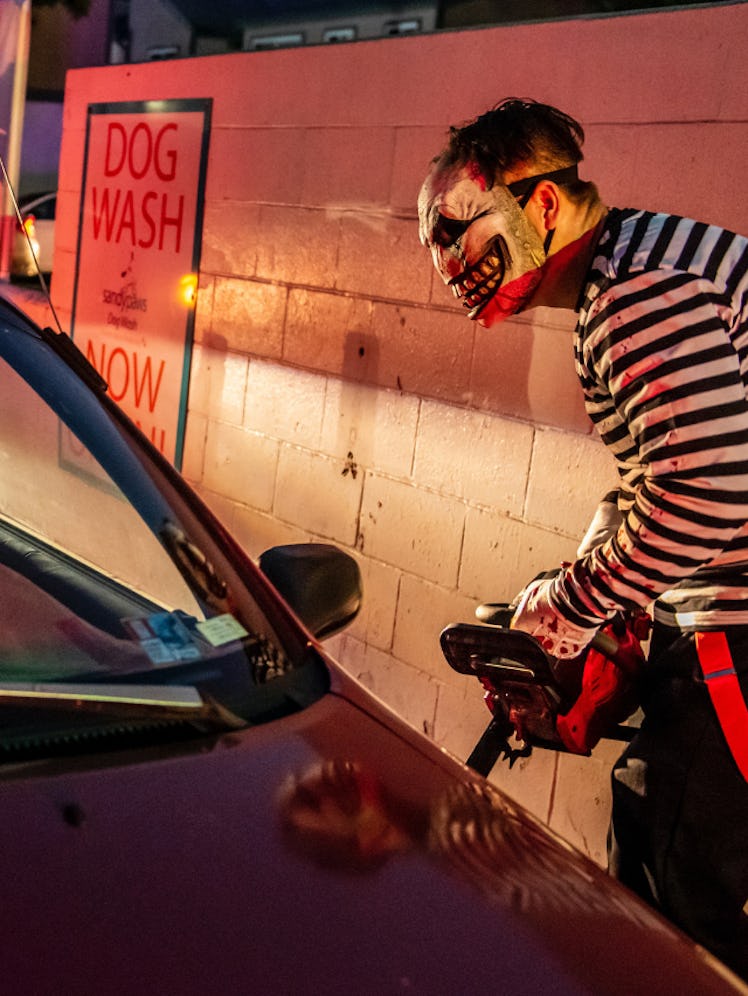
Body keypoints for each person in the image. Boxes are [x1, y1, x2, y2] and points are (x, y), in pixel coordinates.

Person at [418, 97, 748, 979]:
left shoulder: (636, 293)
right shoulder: (641, 267)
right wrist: (581, 590)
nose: (449, 264)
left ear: (546, 206)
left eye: (460, 231)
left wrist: (569, 610)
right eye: (434, 245)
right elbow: (661, 478)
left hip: (739, 636)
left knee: (672, 908)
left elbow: (706, 497)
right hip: (719, 618)